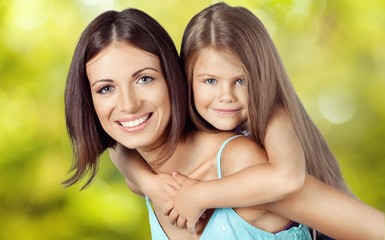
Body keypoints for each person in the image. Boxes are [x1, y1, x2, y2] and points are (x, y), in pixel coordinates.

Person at [64, 6, 384, 240]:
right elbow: (119, 152)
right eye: (105, 88)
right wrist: (151, 185)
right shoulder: (146, 175)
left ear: (174, 79)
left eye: (144, 79)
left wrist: (201, 194)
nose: (128, 104)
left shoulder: (242, 164)